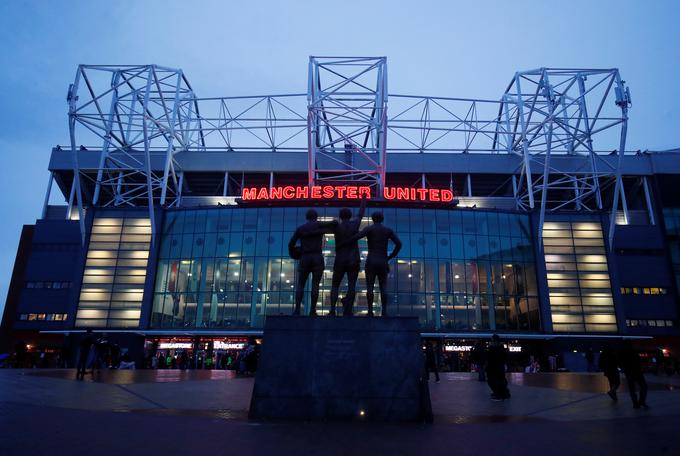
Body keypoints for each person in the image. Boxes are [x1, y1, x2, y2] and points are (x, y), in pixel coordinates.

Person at [344, 212, 402, 316]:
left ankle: (370, 311)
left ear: (372, 219)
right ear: (382, 218)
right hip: (383, 260)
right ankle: (384, 311)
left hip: (371, 260)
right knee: (383, 287)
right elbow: (399, 244)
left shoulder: (369, 229)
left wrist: (344, 242)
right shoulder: (387, 230)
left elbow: (356, 237)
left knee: (369, 287)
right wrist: (391, 256)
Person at [288, 210, 338, 316]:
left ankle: (297, 310)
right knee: (315, 285)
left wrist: (294, 254)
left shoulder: (301, 229)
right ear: (316, 217)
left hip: (305, 257)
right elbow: (334, 223)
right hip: (317, 257)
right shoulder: (319, 225)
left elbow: (291, 243)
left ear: (307, 217)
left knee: (300, 285)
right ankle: (312, 310)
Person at [328, 198, 366, 316]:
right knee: (351, 285)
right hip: (353, 259)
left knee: (335, 285)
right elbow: (360, 214)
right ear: (350, 216)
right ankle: (348, 309)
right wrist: (363, 200)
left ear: (340, 216)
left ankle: (332, 310)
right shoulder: (355, 224)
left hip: (340, 259)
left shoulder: (336, 227)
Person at [620, 341, 648, 408]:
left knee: (632, 389)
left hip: (629, 372)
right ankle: (641, 401)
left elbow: (621, 363)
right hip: (637, 371)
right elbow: (638, 361)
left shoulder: (622, 353)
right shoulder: (634, 352)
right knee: (644, 386)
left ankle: (635, 403)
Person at [486, 334, 510, 401]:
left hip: (494, 368)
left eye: (492, 340)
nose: (491, 341)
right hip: (499, 368)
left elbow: (491, 359)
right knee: (500, 380)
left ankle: (498, 394)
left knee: (493, 381)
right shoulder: (501, 348)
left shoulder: (493, 348)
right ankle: (503, 394)